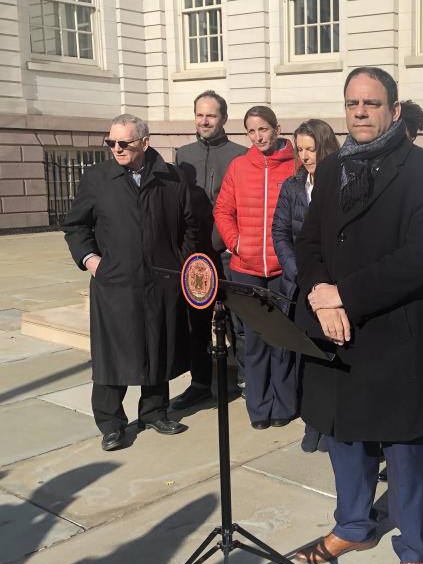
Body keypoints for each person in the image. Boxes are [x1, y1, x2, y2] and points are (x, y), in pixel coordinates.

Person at [292, 67, 423, 564]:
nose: (360, 112)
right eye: (352, 103)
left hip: (396, 330)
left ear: (394, 107)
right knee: (345, 435)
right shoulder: (333, 166)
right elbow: (309, 240)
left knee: (404, 447)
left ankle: (414, 549)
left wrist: (344, 296)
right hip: (335, 326)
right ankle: (354, 525)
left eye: (372, 103)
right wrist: (318, 293)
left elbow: (417, 260)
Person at [63, 114, 196, 451]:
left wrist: (180, 266)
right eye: (112, 142)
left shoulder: (171, 177)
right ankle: (111, 423)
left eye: (124, 143)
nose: (117, 148)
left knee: (157, 346)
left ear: (144, 143)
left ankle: (154, 411)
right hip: (115, 282)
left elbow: (188, 227)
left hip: (161, 282)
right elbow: (76, 226)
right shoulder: (97, 178)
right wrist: (93, 262)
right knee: (114, 355)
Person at [214, 106, 297, 429]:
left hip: (281, 269)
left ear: (277, 128)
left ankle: (284, 404)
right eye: (251, 131)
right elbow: (223, 211)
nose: (258, 136)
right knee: (255, 339)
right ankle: (259, 407)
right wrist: (236, 243)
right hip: (245, 267)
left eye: (263, 129)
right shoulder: (238, 166)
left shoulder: (294, 164)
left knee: (282, 338)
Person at [172, 90, 248, 409]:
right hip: (194, 255)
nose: (204, 121)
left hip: (230, 252)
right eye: (200, 115)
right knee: (197, 320)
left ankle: (246, 381)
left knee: (238, 319)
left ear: (224, 119)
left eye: (211, 115)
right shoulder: (182, 155)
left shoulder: (240, 155)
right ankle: (201, 382)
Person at [272, 119, 340, 453]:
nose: (305, 157)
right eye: (300, 150)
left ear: (325, 148)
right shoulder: (293, 186)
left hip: (332, 287)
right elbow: (280, 232)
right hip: (301, 287)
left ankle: (330, 424)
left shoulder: (342, 184)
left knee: (332, 355)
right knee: (307, 357)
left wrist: (326, 283)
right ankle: (311, 422)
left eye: (310, 149)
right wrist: (300, 274)